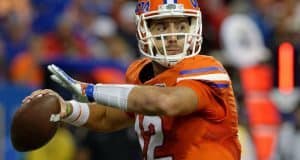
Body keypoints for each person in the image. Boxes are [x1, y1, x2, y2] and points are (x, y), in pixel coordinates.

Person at [23, 0, 241, 159]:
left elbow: (166, 102)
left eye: (181, 26)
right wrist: (67, 108)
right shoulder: (140, 73)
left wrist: (89, 90)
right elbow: (107, 116)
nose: (173, 35)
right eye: (163, 26)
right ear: (143, 30)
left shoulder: (206, 69)